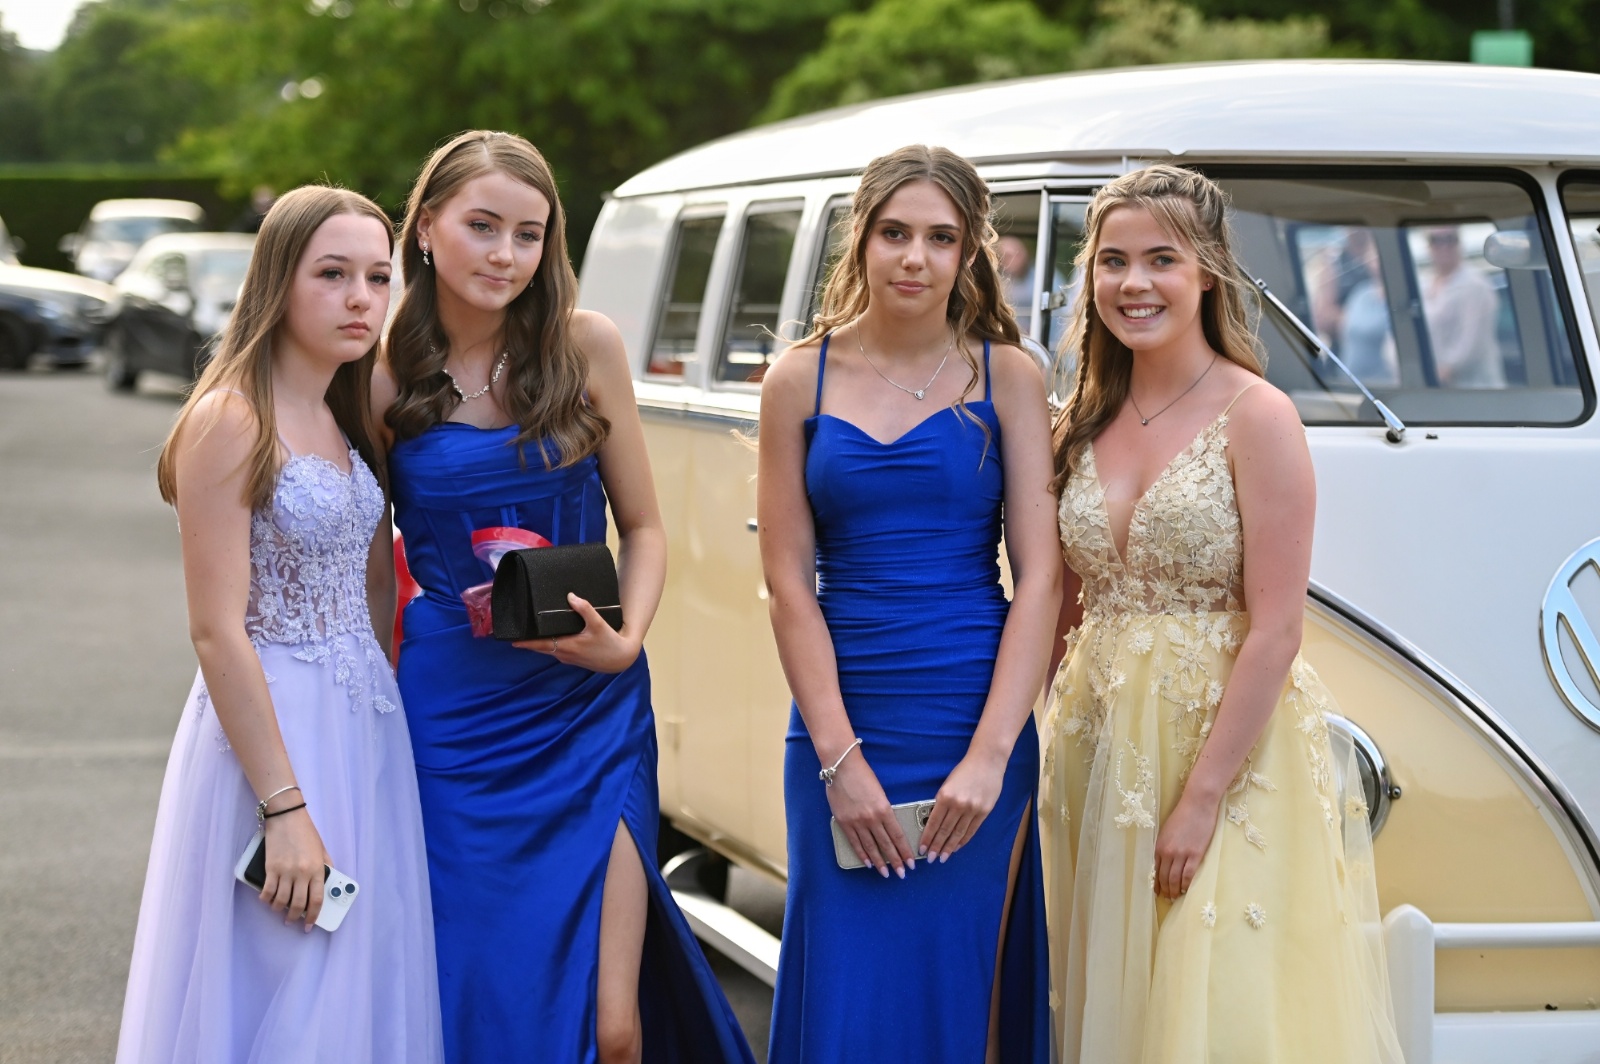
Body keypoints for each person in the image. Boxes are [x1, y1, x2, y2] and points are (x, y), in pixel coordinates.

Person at [372, 130, 753, 1064]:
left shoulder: (587, 344)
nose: (506, 254)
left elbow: (645, 529)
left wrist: (626, 641)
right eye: (482, 226)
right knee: (474, 1007)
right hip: (453, 719)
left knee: (612, 1028)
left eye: (529, 234)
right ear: (426, 227)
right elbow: (367, 562)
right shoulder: (378, 372)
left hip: (592, 702)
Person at [1040, 164, 1402, 1063]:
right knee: (1116, 1000)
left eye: (1161, 259)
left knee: (1216, 1004)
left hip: (1226, 757)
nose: (1134, 283)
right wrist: (1019, 741)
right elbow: (1062, 604)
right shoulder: (1079, 419)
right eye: (1114, 261)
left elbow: (1278, 627)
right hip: (1098, 743)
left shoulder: (1258, 415)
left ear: (1206, 272)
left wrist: (1202, 798)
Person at [116, 187, 443, 1063]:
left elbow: (375, 584)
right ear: (277, 282)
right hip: (272, 737)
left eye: (377, 277)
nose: (360, 298)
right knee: (281, 979)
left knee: (355, 978)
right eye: (332, 274)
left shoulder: (346, 412)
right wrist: (284, 808)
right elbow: (216, 630)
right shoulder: (231, 419)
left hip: (363, 729)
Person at [758, 144, 1061, 1063]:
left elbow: (1040, 578)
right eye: (895, 233)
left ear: (970, 250)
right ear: (862, 237)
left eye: (940, 237)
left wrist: (991, 758)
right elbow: (787, 584)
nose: (915, 258)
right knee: (846, 998)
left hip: (974, 721)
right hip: (840, 727)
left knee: (963, 995)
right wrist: (840, 762)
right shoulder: (797, 379)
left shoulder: (1009, 376)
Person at [1422, 227, 1504, 388]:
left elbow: (1472, 342)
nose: (1444, 246)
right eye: (1436, 240)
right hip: (1434, 389)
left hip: (1474, 388)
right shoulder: (1423, 283)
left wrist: (1443, 370)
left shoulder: (1475, 284)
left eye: (1450, 239)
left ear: (1460, 242)